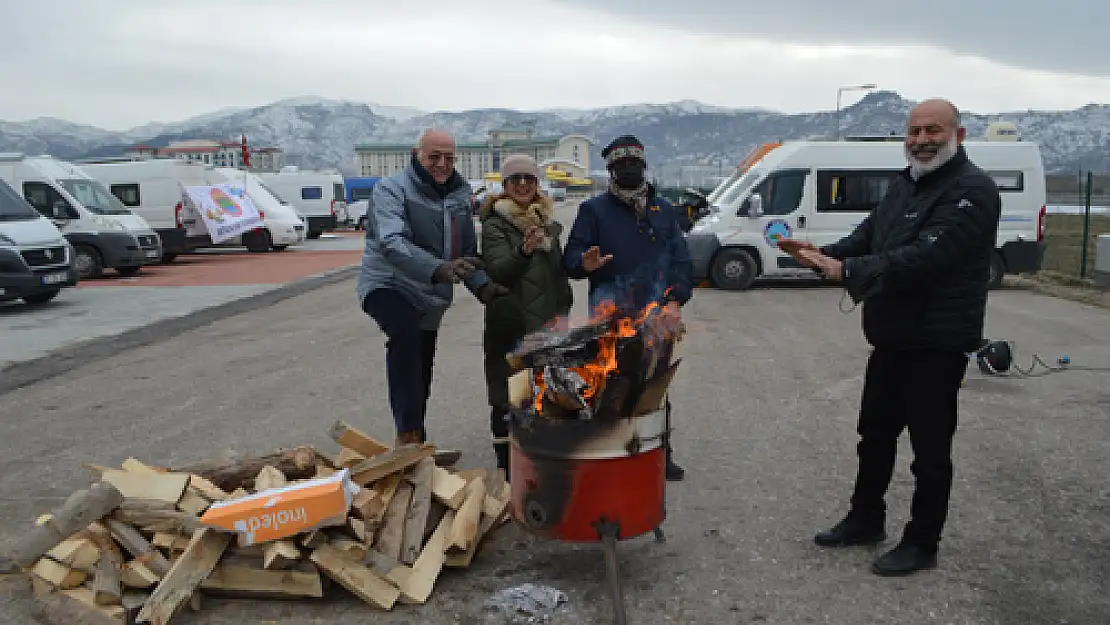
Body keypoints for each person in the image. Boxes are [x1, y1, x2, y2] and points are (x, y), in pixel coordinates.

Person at [778, 99, 1002, 576]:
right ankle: (865, 519)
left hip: (937, 342)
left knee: (930, 450)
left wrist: (848, 269)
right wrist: (820, 255)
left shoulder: (974, 191)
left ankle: (923, 542)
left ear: (957, 135)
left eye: (933, 130)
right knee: (875, 435)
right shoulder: (905, 185)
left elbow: (926, 257)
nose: (922, 139)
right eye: (914, 131)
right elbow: (868, 237)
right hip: (892, 336)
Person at [356, 128, 508, 462]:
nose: (441, 164)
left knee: (421, 366)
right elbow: (391, 243)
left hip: (431, 296)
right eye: (433, 157)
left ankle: (417, 444)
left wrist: (483, 286)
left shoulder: (460, 193)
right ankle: (408, 437)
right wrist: (437, 269)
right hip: (388, 284)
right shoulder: (391, 189)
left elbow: (466, 250)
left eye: (449, 158)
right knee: (405, 333)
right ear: (417, 154)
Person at [563, 134, 694, 482]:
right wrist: (584, 264)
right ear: (610, 169)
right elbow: (571, 259)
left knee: (655, 388)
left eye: (634, 161)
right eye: (620, 163)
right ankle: (609, 452)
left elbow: (682, 262)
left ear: (644, 164)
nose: (628, 168)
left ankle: (659, 453)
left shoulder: (663, 211)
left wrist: (675, 299)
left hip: (657, 320)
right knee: (612, 389)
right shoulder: (593, 211)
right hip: (610, 322)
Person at [479, 154, 574, 477]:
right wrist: (523, 252)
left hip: (548, 327)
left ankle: (541, 467)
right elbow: (498, 271)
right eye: (515, 179)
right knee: (507, 398)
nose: (522, 184)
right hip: (511, 326)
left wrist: (566, 307)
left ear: (537, 184)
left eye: (529, 179)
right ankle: (508, 471)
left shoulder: (546, 223)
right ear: (504, 186)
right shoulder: (494, 223)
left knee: (547, 397)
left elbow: (557, 275)